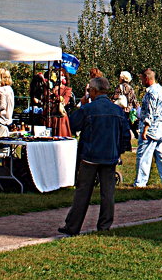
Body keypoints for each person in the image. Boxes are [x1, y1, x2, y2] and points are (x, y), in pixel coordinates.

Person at [57, 76, 131, 237]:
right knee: (108, 192)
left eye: (90, 89)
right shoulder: (117, 110)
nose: (88, 92)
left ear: (95, 91)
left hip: (90, 156)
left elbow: (72, 125)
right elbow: (125, 134)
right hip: (110, 156)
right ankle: (104, 226)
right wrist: (119, 151)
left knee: (83, 192)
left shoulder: (88, 109)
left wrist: (81, 106)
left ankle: (72, 226)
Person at [134, 69, 162, 188]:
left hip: (151, 129)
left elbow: (150, 112)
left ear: (147, 78)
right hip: (161, 128)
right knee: (161, 156)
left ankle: (140, 182)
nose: (141, 81)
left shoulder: (151, 93)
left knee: (144, 156)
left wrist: (145, 128)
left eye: (142, 79)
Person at [45, 68, 73, 137]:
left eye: (61, 75)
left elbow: (64, 101)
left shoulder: (67, 90)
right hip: (49, 118)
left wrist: (56, 94)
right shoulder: (49, 89)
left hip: (60, 120)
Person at [116, 71, 138, 138]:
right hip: (129, 110)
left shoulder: (119, 87)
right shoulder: (130, 88)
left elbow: (115, 97)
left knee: (120, 127)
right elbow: (134, 100)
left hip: (121, 109)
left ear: (122, 78)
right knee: (128, 126)